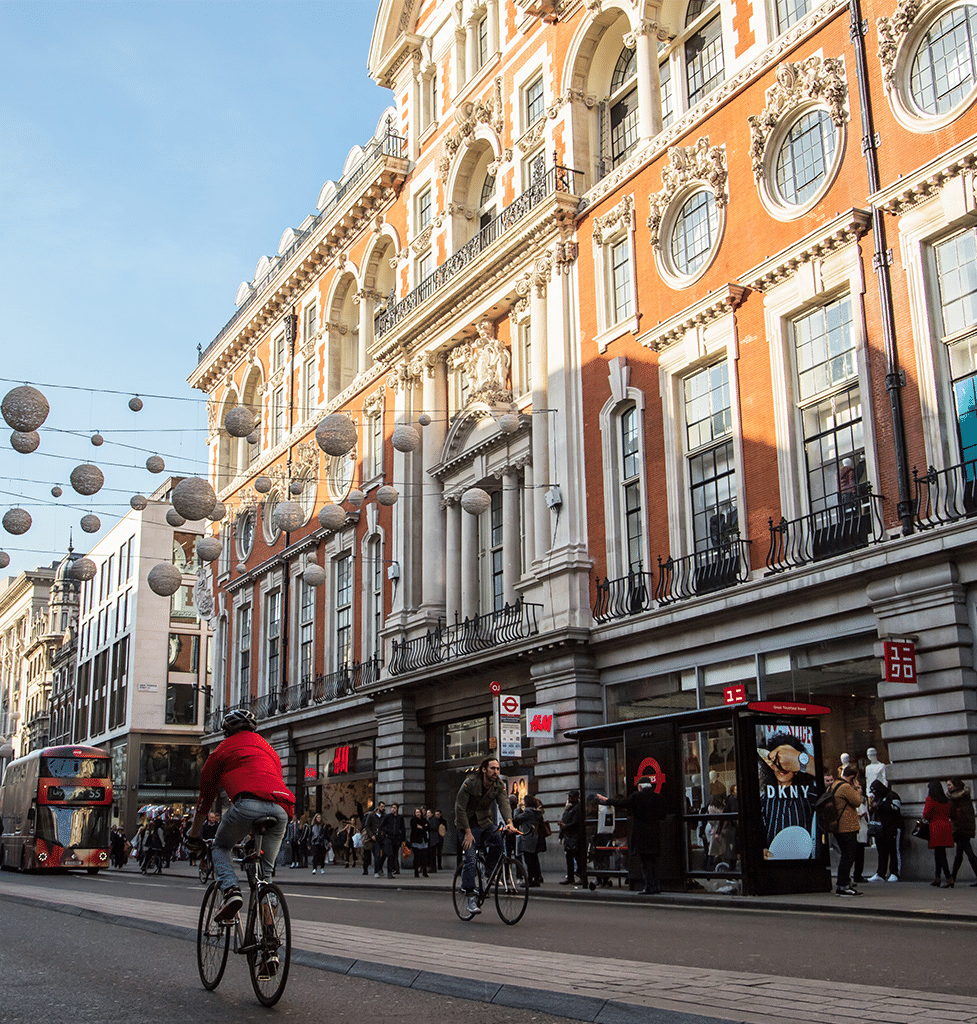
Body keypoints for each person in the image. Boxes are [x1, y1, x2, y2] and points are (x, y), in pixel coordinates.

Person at [186, 709, 295, 922]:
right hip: (281, 809)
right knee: (266, 875)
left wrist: (194, 834)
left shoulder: (220, 751)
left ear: (226, 732)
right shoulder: (269, 750)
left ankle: (230, 891)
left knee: (220, 846)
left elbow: (205, 799)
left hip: (247, 804)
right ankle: (269, 938)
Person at [454, 757, 518, 915]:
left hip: (484, 822)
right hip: (466, 825)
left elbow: (504, 803)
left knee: (499, 840)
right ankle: (470, 894)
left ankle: (489, 872)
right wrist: (467, 833)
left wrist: (509, 822)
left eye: (497, 769)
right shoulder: (470, 782)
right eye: (492, 768)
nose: (496, 771)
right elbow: (459, 808)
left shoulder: (498, 785)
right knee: (471, 858)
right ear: (484, 769)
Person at [597, 776, 664, 894]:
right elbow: (663, 815)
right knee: (653, 861)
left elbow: (622, 803)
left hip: (642, 834)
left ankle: (648, 886)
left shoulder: (637, 796)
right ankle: (656, 886)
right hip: (654, 833)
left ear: (640, 786)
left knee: (645, 862)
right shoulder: (657, 797)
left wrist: (608, 800)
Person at [757, 732, 817, 858]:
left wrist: (802, 762)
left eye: (788, 761)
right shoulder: (765, 799)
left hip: (804, 860)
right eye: (776, 762)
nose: (782, 766)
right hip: (774, 862)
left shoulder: (810, 795)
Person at [832, 765, 863, 896]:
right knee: (848, 857)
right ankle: (843, 885)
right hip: (846, 827)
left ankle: (844, 883)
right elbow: (857, 802)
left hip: (839, 827)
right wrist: (858, 790)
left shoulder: (834, 784)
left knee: (846, 856)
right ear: (852, 777)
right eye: (855, 779)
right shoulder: (845, 787)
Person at [866, 778, 903, 882]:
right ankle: (880, 873)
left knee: (894, 851)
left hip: (893, 828)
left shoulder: (892, 796)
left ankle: (894, 872)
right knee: (881, 852)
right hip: (880, 829)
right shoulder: (878, 798)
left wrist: (880, 806)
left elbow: (895, 809)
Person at [922, 780, 954, 887]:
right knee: (939, 853)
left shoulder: (931, 799)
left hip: (936, 827)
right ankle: (937, 877)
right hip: (946, 826)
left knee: (940, 855)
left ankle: (948, 877)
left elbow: (926, 814)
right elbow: (950, 813)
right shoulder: (945, 799)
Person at [947, 777, 977, 886]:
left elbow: (952, 813)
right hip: (965, 827)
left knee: (969, 854)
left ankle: (952, 879)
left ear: (955, 786)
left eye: (949, 785)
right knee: (959, 855)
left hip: (961, 829)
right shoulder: (964, 797)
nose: (948, 787)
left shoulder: (956, 798)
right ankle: (952, 879)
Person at [513, 793, 545, 886]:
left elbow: (516, 818)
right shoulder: (536, 812)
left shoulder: (528, 812)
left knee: (529, 860)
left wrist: (518, 809)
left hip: (527, 838)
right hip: (535, 838)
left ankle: (531, 879)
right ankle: (537, 878)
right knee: (534, 859)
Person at [558, 789, 584, 885]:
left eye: (571, 797)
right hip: (568, 836)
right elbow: (564, 820)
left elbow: (576, 822)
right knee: (569, 858)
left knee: (578, 858)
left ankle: (581, 876)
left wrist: (566, 826)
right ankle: (570, 877)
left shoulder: (578, 807)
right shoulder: (569, 807)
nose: (569, 798)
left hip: (575, 836)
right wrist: (561, 835)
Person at [379, 802, 405, 879]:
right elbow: (381, 826)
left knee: (394, 855)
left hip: (396, 838)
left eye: (395, 808)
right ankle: (389, 872)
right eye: (392, 808)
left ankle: (393, 869)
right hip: (388, 838)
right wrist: (386, 831)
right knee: (389, 854)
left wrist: (402, 839)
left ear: (397, 809)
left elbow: (403, 828)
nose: (393, 809)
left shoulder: (400, 818)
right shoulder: (388, 817)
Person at [361, 800, 384, 876]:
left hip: (379, 838)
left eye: (383, 806)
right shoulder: (371, 816)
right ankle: (367, 869)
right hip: (370, 838)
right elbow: (366, 826)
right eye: (381, 806)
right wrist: (371, 835)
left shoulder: (384, 816)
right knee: (368, 855)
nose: (383, 808)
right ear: (378, 807)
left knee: (378, 855)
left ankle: (378, 869)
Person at [409, 807, 429, 877]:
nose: (418, 813)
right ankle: (416, 872)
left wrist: (422, 827)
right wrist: (422, 827)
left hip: (423, 840)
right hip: (416, 840)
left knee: (424, 856)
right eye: (416, 812)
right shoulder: (413, 820)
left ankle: (424, 871)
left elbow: (427, 827)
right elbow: (415, 828)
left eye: (419, 812)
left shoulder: (424, 819)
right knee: (416, 857)